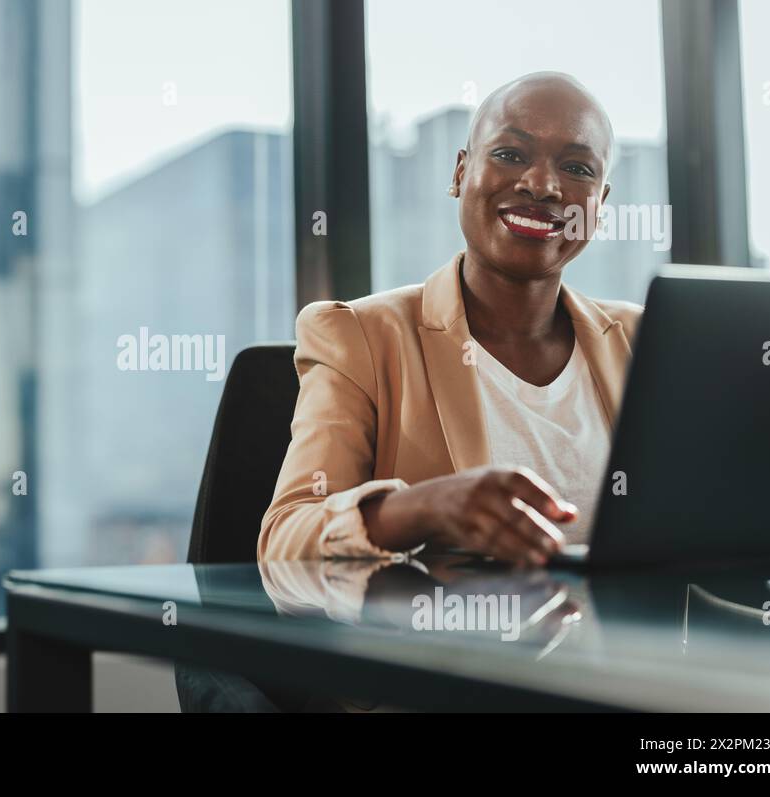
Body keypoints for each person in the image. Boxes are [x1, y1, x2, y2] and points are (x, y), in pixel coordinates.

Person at [258, 72, 642, 568]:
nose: (543, 185)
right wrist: (421, 508)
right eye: (510, 154)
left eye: (576, 168)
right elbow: (285, 541)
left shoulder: (645, 344)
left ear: (600, 206)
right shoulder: (360, 337)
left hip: (626, 642)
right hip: (441, 643)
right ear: (461, 173)